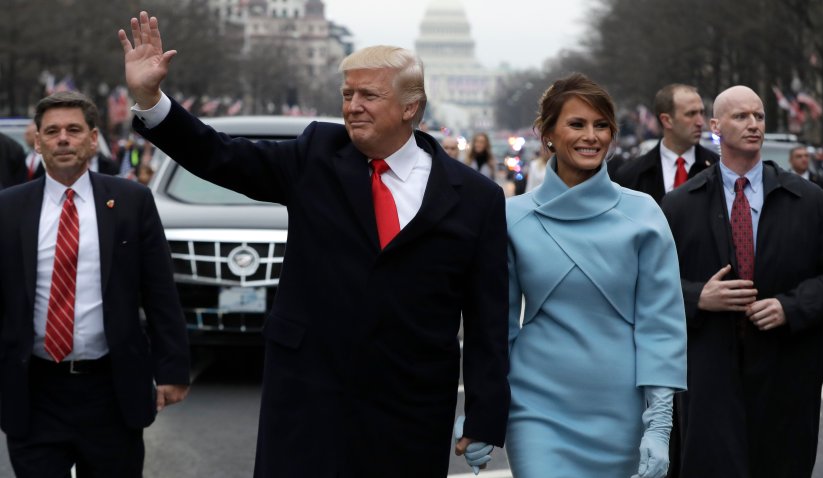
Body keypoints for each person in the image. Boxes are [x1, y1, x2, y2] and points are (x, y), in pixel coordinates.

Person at [119, 11, 509, 477]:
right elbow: (219, 154)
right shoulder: (316, 155)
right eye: (347, 95)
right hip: (308, 396)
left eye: (369, 95)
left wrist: (485, 414)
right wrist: (151, 99)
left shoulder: (477, 198)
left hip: (410, 407)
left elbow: (487, 320)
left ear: (411, 107)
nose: (353, 106)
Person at [661, 85, 823, 477]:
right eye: (741, 116)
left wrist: (790, 306)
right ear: (716, 126)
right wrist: (699, 297)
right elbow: (650, 286)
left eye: (759, 116)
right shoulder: (681, 204)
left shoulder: (809, 201)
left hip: (788, 372)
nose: (753, 125)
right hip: (709, 374)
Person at [505, 73, 687, 478]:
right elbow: (498, 328)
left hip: (621, 412)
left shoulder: (644, 213)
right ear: (547, 133)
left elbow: (662, 325)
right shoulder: (512, 218)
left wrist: (659, 425)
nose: (592, 136)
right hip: (535, 410)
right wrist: (486, 409)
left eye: (601, 125)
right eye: (577, 124)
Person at [0, 91, 191, 477]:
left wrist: (172, 369)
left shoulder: (131, 202)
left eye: (73, 129)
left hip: (110, 391)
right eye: (51, 131)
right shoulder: (8, 208)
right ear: (37, 141)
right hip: (34, 391)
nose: (63, 139)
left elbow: (159, 291)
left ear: (92, 138)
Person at [613, 83, 718, 203]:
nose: (701, 122)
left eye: (701, 113)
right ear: (667, 120)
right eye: (691, 114)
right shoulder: (631, 175)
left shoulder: (718, 169)